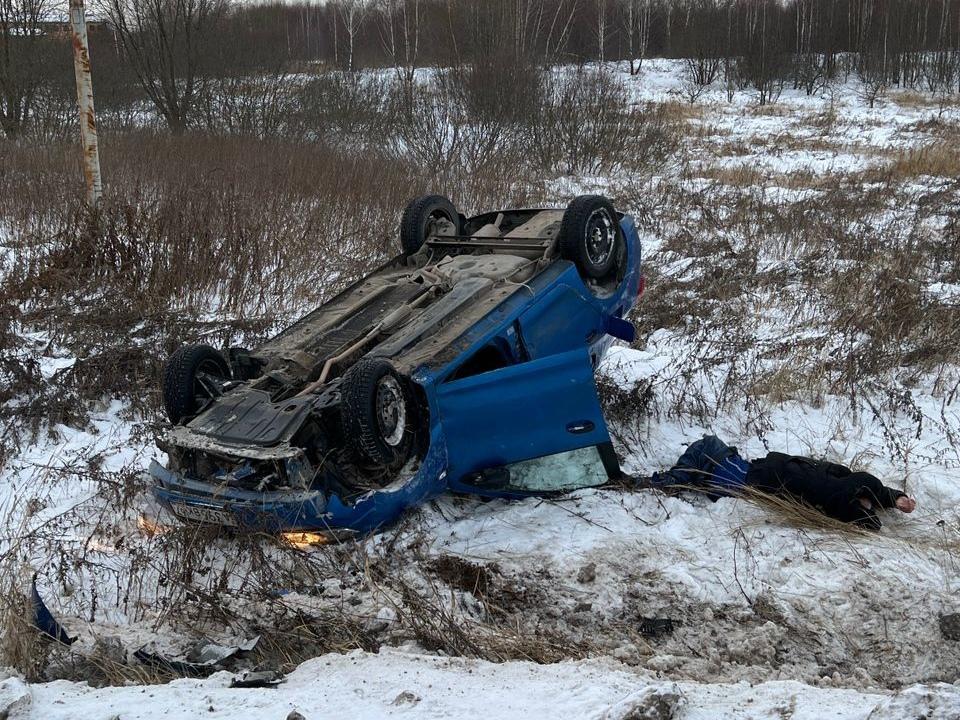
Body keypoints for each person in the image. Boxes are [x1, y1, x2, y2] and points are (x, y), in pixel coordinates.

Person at [647, 435, 916, 529]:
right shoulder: (840, 489)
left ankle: (671, 480)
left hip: (746, 476)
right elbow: (871, 494)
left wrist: (889, 498)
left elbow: (868, 503)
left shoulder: (841, 495)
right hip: (748, 476)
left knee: (708, 445)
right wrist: (893, 498)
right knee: (707, 458)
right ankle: (682, 478)